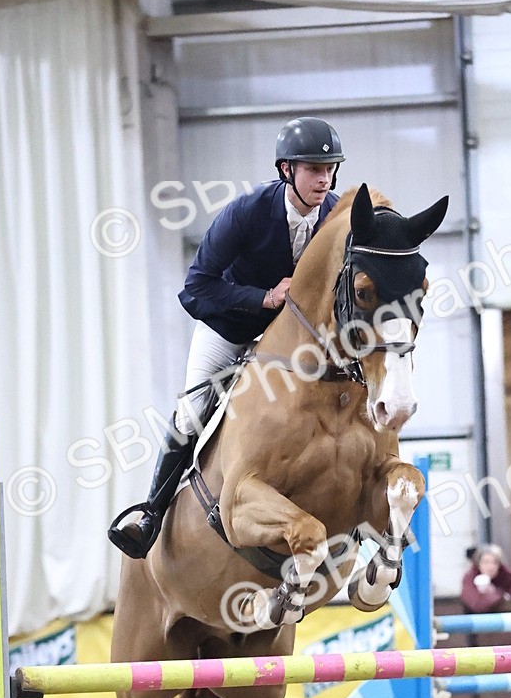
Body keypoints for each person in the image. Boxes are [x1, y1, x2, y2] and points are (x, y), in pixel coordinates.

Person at [108, 116, 344, 559]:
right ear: (286, 169)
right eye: (314, 169)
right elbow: (196, 286)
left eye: (329, 169)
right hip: (230, 327)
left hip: (292, 339)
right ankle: (151, 514)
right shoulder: (247, 212)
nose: (324, 179)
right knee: (192, 412)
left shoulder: (335, 216)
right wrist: (263, 298)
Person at [461, 545, 511, 614]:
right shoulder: (470, 578)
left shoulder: (506, 576)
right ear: (478, 564)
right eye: (485, 562)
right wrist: (495, 595)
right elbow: (476, 605)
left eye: (494, 563)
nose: (490, 566)